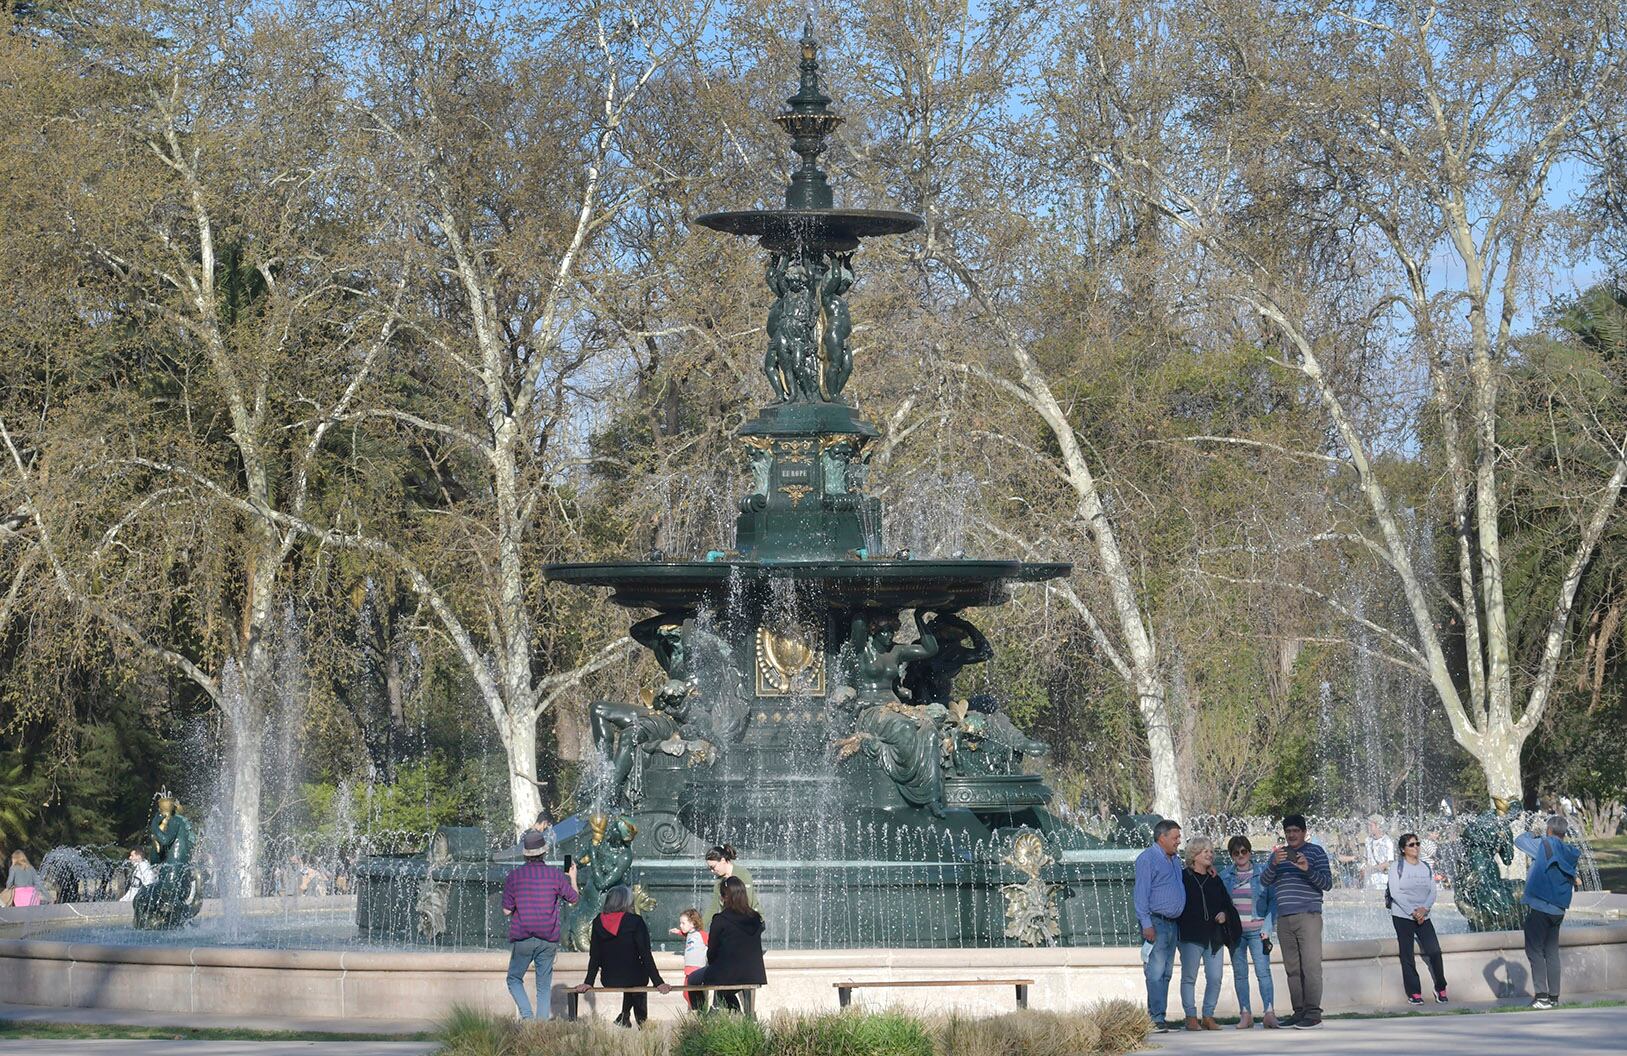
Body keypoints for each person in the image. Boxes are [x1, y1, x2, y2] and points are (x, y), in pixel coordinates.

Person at [1262, 814, 1333, 1029]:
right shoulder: (1278, 854)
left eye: (1295, 831)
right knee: (1292, 968)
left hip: (1309, 915)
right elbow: (1264, 882)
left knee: (1311, 966)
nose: (1291, 835)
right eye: (1288, 831)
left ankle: (1313, 1014)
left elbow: (1327, 883)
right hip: (1284, 918)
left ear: (1303, 832)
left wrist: (1307, 869)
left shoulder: (1316, 852)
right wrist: (1274, 864)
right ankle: (1299, 1011)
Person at [501, 828, 580, 1020]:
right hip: (548, 939)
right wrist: (573, 878)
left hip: (523, 938)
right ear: (544, 852)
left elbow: (506, 911)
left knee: (513, 979)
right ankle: (541, 1026)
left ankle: (527, 1017)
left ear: (525, 854)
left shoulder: (514, 876)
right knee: (543, 986)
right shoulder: (555, 875)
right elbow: (574, 899)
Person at [573, 885, 670, 1027]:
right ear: (626, 902)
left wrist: (589, 982)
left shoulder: (598, 922)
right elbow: (645, 954)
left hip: (609, 979)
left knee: (630, 976)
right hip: (635, 977)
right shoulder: (635, 921)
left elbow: (595, 956)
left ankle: (624, 1016)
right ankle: (641, 1022)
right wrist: (658, 982)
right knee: (636, 976)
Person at [1515, 814, 1582, 1009]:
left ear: (1549, 830)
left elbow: (1519, 841)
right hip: (1558, 908)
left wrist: (1531, 832)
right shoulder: (1570, 852)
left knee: (1534, 950)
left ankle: (1541, 997)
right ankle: (1553, 997)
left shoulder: (1544, 845)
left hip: (1540, 905)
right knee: (1552, 952)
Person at [1176, 837, 1237, 1031]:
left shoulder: (1214, 878)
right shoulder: (1182, 877)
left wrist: (1225, 914)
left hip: (1214, 937)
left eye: (1211, 851)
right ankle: (1191, 1017)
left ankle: (1208, 1015)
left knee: (1215, 977)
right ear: (1194, 855)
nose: (1210, 854)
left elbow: (1227, 904)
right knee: (1189, 978)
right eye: (1205, 852)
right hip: (1190, 935)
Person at [1133, 819, 1186, 1032]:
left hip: (1172, 924)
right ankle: (1154, 1018)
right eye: (1175, 838)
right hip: (1156, 922)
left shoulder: (1174, 860)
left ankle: (1160, 1017)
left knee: (1166, 973)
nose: (1178, 841)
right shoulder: (1148, 859)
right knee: (1155, 972)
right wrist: (1146, 924)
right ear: (1161, 838)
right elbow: (1140, 895)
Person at [1221, 835, 1278, 1029]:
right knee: (1240, 974)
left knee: (1263, 973)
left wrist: (1267, 928)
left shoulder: (1263, 873)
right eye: (1236, 853)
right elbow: (1220, 901)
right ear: (1231, 855)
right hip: (1236, 933)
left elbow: (1273, 901)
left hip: (1258, 931)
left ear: (1250, 852)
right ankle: (1245, 1013)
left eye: (1243, 851)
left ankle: (1269, 1012)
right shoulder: (1225, 876)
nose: (1240, 855)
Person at [1388, 831, 1447, 1005]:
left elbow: (1433, 891)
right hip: (1403, 915)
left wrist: (1424, 909)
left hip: (1424, 915)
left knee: (1435, 950)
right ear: (1403, 849)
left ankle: (1441, 986)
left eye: (1417, 844)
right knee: (1407, 955)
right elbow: (1395, 892)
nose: (1416, 847)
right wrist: (1413, 911)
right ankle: (1414, 992)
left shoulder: (1426, 867)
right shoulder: (1396, 867)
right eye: (1411, 845)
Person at [691, 875, 765, 1012]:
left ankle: (699, 1015)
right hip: (753, 973)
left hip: (726, 973)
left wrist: (713, 963)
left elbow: (712, 951)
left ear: (725, 897)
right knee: (726, 990)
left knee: (693, 979)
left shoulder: (720, 920)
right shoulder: (755, 918)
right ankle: (738, 1013)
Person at [704, 844, 760, 919]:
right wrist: (699, 926)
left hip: (751, 920)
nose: (712, 871)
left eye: (713, 867)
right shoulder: (719, 881)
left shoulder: (743, 874)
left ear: (723, 860)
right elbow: (714, 907)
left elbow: (748, 902)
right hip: (731, 920)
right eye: (709, 868)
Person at [672, 907, 709, 1011]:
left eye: (683, 923)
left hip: (698, 969)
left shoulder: (702, 934)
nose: (681, 925)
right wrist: (678, 932)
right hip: (688, 970)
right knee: (686, 993)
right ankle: (696, 1009)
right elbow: (685, 934)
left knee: (692, 992)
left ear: (693, 923)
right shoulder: (689, 934)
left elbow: (712, 942)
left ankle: (699, 1011)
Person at [1362, 815, 1394, 890]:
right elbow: (1365, 858)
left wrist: (1372, 869)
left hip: (1382, 881)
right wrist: (1362, 869)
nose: (1368, 827)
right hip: (1369, 881)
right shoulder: (1368, 840)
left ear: (1378, 826)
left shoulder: (1387, 841)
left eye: (1371, 825)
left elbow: (1389, 863)